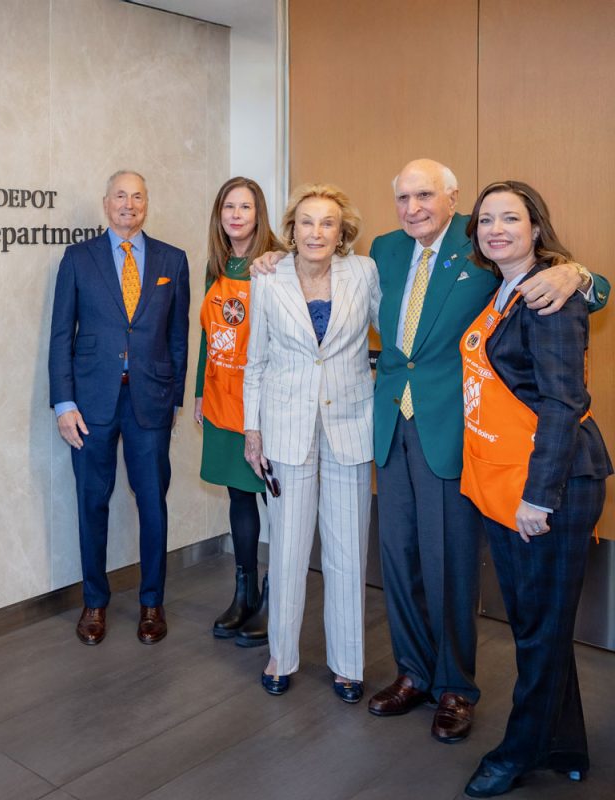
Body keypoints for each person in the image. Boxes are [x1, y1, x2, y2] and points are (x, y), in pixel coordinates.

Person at [364, 160, 607, 743]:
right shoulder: (384, 248)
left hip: (455, 425)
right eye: (402, 197)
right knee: (398, 557)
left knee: (448, 560)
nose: (413, 207)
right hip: (391, 419)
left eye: (425, 194)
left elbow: (588, 288)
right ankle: (414, 672)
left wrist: (576, 273)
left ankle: (455, 686)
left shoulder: (482, 240)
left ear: (453, 200)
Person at [456, 182, 610, 798]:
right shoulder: (503, 290)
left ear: (536, 227)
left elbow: (563, 402)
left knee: (540, 629)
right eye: (486, 218)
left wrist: (539, 498)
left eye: (509, 218)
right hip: (507, 482)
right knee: (537, 626)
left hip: (551, 488)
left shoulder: (549, 294)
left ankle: (517, 751)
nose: (495, 228)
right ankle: (566, 742)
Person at [241, 184, 379, 702]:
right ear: (291, 229)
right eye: (306, 222)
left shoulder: (364, 274)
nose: (316, 232)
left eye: (327, 223)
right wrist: (253, 431)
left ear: (342, 232)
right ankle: (282, 652)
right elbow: (256, 361)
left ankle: (348, 663)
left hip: (348, 427)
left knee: (347, 551)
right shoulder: (268, 276)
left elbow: (395, 331)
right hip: (284, 429)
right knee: (288, 549)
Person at [49, 170, 190, 646]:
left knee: (152, 503)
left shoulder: (174, 259)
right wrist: (63, 402)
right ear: (105, 202)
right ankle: (95, 601)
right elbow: (59, 335)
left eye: (137, 197)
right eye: (119, 196)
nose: (128, 204)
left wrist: (174, 398)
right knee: (92, 501)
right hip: (90, 403)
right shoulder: (78, 258)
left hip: (149, 400)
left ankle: (152, 602)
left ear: (147, 204)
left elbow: (178, 336)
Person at [193, 177, 281, 646]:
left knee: (277, 505)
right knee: (240, 499)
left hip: (261, 406)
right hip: (223, 400)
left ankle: (276, 600)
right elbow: (208, 335)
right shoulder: (216, 264)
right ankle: (244, 595)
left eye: (245, 207)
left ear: (258, 213)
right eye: (229, 206)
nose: (236, 215)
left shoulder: (276, 263)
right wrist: (199, 394)